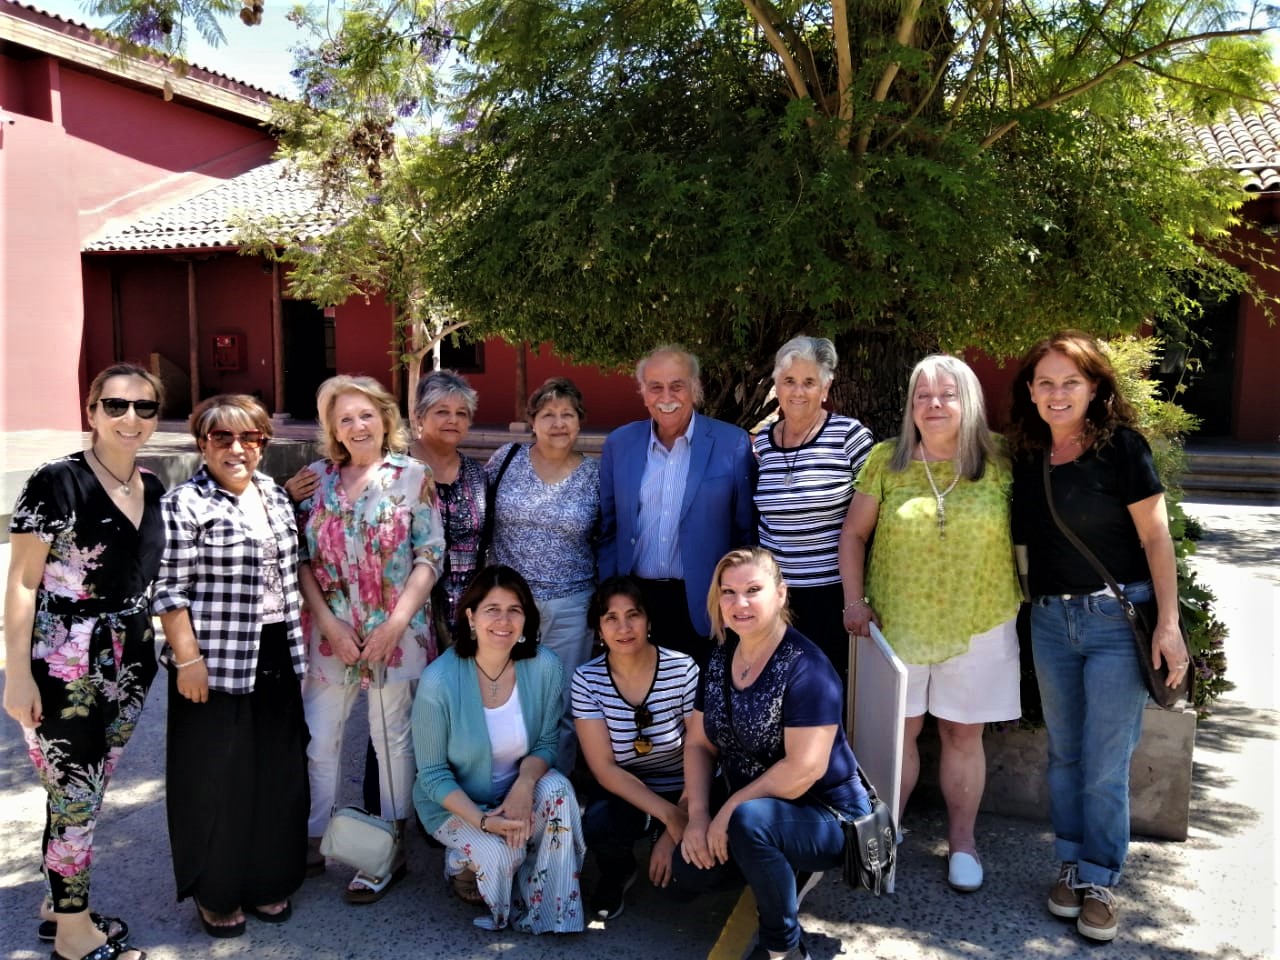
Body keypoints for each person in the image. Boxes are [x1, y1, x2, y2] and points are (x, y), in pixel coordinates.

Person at [1007, 331, 1185, 943]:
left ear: (1095, 388)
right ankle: (1071, 863)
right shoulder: (1026, 455)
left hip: (1114, 620)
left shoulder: (1123, 449)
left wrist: (1169, 624)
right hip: (1050, 622)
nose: (1057, 394)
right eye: (1046, 383)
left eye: (1071, 382)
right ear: (1031, 391)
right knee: (1065, 752)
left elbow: (1157, 538)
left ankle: (1101, 878)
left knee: (1105, 761)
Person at [837, 354, 1021, 893]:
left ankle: (962, 843)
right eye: (922, 395)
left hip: (981, 619)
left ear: (969, 400)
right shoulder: (886, 460)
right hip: (898, 622)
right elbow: (853, 535)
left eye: (947, 394)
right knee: (899, 732)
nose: (933, 404)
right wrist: (854, 601)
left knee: (963, 733)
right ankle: (884, 835)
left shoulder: (1001, 459)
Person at [3, 363, 164, 960]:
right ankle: (73, 936)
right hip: (64, 660)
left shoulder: (154, 485)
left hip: (131, 659)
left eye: (144, 407)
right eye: (115, 405)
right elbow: (22, 584)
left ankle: (58, 905)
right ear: (92, 411)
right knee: (76, 792)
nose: (130, 418)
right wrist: (17, 676)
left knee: (81, 792)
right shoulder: (57, 481)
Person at [151, 395, 309, 938]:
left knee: (276, 772)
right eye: (222, 437)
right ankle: (215, 891)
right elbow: (168, 591)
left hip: (277, 651)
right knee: (216, 779)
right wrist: (187, 660)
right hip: (214, 660)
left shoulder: (274, 495)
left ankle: (268, 879)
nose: (237, 449)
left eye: (251, 438)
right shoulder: (184, 504)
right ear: (202, 444)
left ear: (263, 443)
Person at [671, 548, 870, 960]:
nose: (739, 603)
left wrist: (728, 812)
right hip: (756, 809)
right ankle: (775, 865)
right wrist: (700, 816)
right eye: (728, 592)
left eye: (752, 590)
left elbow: (803, 769)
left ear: (781, 595)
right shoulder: (720, 657)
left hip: (826, 813)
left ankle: (784, 947)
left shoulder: (807, 667)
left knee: (749, 824)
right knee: (689, 871)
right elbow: (699, 743)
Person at [297, 375, 444, 903]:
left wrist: (395, 625)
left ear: (385, 419)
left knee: (392, 741)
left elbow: (430, 555)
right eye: (345, 419)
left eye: (366, 415)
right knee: (320, 739)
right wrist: (330, 624)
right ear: (333, 430)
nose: (357, 426)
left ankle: (389, 847)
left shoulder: (412, 476)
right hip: (330, 633)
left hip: (395, 632)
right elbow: (301, 558)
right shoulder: (316, 479)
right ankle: (313, 840)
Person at [411, 565, 586, 934]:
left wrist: (524, 785)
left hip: (514, 792)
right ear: (471, 617)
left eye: (514, 610)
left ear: (526, 619)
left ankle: (551, 911)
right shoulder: (438, 680)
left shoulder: (545, 666)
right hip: (456, 805)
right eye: (492, 609)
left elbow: (547, 743)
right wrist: (484, 822)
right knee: (504, 855)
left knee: (559, 790)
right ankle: (461, 862)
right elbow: (432, 774)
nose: (504, 621)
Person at [598, 345, 757, 667]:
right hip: (635, 604)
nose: (666, 397)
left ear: (695, 389)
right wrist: (611, 592)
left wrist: (738, 600)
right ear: (644, 393)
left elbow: (746, 532)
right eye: (655, 387)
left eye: (677, 385)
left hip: (703, 603)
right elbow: (609, 527)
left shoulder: (732, 443)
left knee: (699, 697)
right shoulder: (620, 443)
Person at [486, 377, 599, 773]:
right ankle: (502, 784)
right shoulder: (506, 459)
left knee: (561, 703)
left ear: (579, 421)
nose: (558, 423)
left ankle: (554, 792)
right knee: (505, 699)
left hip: (571, 606)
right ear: (532, 421)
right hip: (508, 606)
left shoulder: (594, 475)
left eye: (567, 414)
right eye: (548, 414)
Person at [571, 576, 699, 920]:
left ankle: (668, 840)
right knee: (600, 822)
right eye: (611, 618)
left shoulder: (683, 668)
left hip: (686, 788)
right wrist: (670, 817)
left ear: (649, 620)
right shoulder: (587, 679)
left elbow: (701, 752)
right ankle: (618, 870)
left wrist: (680, 818)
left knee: (682, 886)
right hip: (627, 788)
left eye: (633, 615)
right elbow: (604, 769)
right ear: (599, 628)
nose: (624, 628)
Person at [753, 336, 873, 685]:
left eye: (809, 382)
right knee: (780, 691)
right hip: (777, 598)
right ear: (776, 385)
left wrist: (856, 599)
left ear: (825, 388)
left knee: (828, 691)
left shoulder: (850, 437)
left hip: (832, 596)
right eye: (789, 381)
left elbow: (872, 520)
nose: (798, 391)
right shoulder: (763, 442)